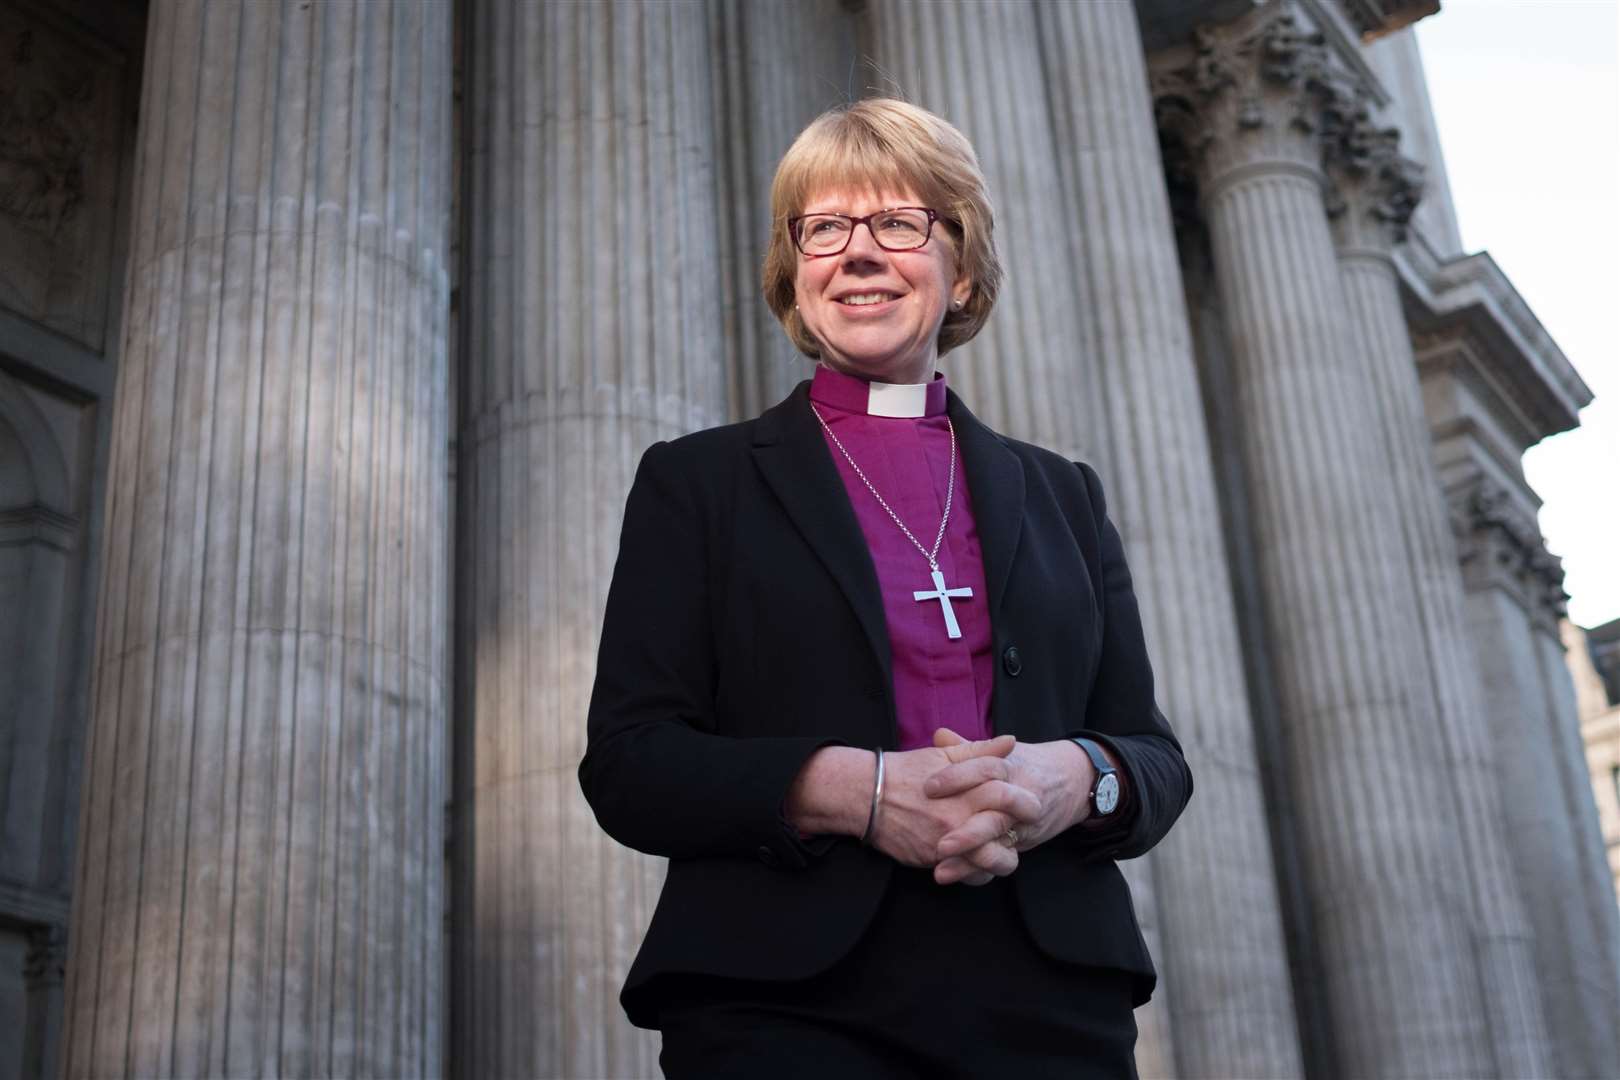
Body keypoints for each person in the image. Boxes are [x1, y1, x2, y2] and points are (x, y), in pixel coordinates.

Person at [578, 98, 1193, 1079]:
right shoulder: (697, 483)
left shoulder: (1062, 493)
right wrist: (858, 793)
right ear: (796, 270)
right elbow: (630, 764)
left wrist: (1068, 781)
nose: (858, 252)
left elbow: (1153, 758)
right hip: (783, 1002)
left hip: (1049, 998)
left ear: (963, 268)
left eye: (900, 223)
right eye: (824, 227)